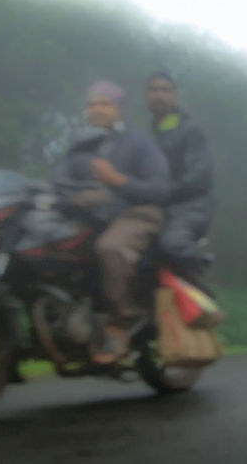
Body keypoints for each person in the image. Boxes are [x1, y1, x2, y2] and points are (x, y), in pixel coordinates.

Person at [52, 80, 171, 364]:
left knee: (110, 247)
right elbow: (57, 179)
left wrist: (117, 181)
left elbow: (160, 189)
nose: (97, 110)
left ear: (119, 109)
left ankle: (123, 320)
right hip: (94, 216)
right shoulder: (80, 147)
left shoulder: (138, 143)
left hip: (138, 213)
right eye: (92, 104)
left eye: (105, 104)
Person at [144, 70, 215, 287]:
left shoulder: (189, 129)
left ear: (175, 96)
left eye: (165, 90)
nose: (158, 95)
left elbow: (199, 176)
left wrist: (163, 192)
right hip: (162, 205)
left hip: (191, 206)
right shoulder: (151, 132)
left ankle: (201, 294)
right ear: (146, 96)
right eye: (153, 90)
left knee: (171, 243)